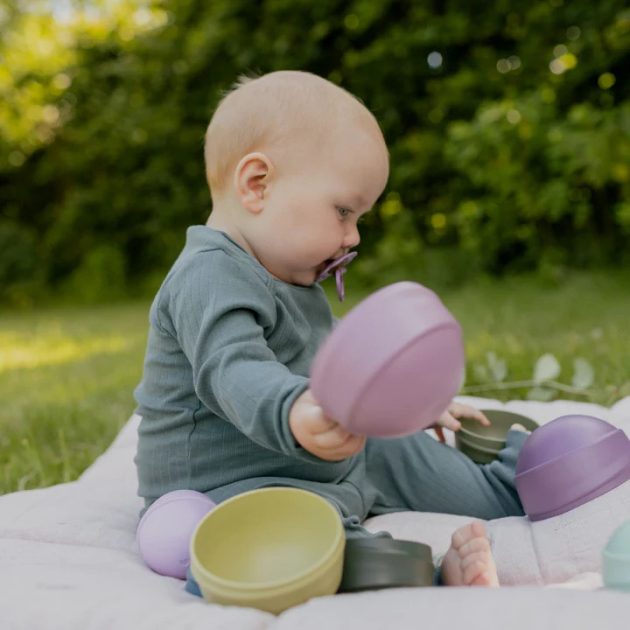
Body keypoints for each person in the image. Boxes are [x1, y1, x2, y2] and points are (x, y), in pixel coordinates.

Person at [133, 70, 528, 588]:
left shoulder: (289, 271)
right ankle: (410, 568)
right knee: (286, 535)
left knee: (423, 460)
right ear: (258, 184)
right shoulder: (207, 274)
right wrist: (295, 409)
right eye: (344, 211)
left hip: (327, 447)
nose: (353, 235)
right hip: (237, 477)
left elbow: (333, 357)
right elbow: (234, 370)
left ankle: (520, 473)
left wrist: (406, 401)